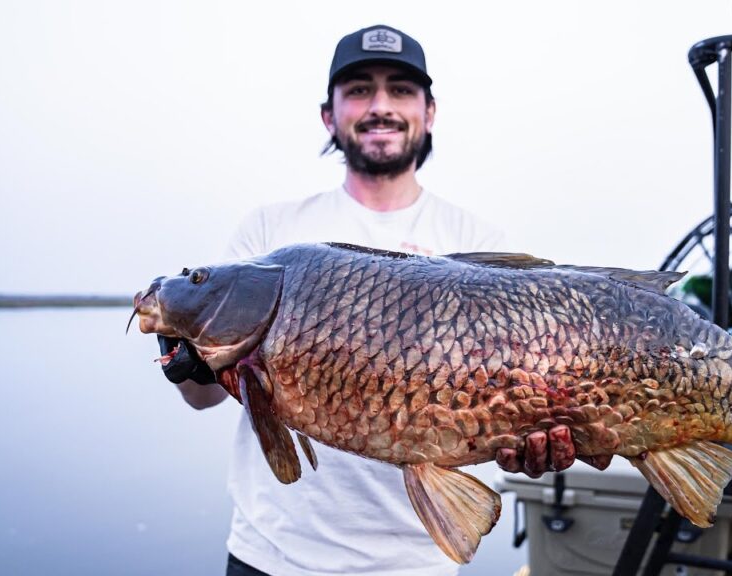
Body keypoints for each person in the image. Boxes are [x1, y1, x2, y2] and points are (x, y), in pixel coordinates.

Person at [157, 24, 579, 576]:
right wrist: (187, 359)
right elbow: (202, 399)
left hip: (416, 563)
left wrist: (537, 445)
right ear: (329, 115)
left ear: (430, 112)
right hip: (272, 555)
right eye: (358, 89)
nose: (380, 105)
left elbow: (518, 406)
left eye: (400, 90)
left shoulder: (479, 240)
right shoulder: (269, 234)